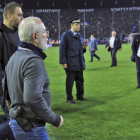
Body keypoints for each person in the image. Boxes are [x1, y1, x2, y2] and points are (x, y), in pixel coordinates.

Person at [3, 17, 63, 140]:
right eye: (44, 32)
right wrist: (54, 118)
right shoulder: (33, 60)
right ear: (35, 36)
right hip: (31, 127)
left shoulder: (14, 57)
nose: (46, 35)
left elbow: (5, 89)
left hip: (19, 123)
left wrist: (13, 114)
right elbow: (32, 98)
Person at [0, 2, 23, 139]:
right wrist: (6, 82)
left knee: (17, 120)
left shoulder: (19, 34)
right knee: (15, 121)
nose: (22, 17)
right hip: (6, 87)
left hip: (19, 86)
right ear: (9, 15)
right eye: (19, 14)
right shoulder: (1, 34)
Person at [59, 18, 87, 104]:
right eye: (76, 24)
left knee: (80, 80)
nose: (79, 26)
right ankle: (69, 98)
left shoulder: (79, 36)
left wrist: (83, 48)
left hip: (79, 62)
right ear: (72, 25)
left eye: (79, 24)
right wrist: (63, 62)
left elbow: (81, 50)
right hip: (70, 62)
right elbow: (62, 49)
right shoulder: (66, 35)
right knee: (70, 82)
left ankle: (80, 96)